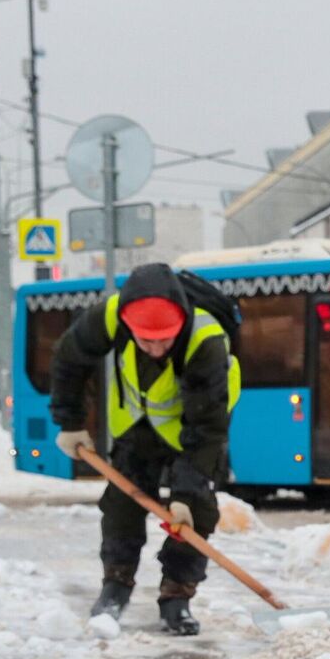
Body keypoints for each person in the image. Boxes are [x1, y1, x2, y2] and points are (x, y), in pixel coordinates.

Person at [49, 263, 236, 636]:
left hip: (194, 428)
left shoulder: (207, 341)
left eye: (163, 340)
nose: (154, 348)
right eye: (145, 340)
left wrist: (186, 489)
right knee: (121, 506)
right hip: (136, 428)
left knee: (195, 513)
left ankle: (176, 598)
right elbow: (69, 359)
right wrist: (70, 423)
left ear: (180, 322)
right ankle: (115, 587)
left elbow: (207, 427)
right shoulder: (111, 316)